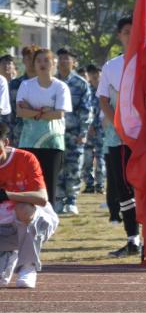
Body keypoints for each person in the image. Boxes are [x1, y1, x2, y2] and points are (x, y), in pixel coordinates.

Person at [99, 17, 141, 258]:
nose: (131, 36)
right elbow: (104, 100)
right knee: (123, 186)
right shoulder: (111, 66)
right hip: (118, 136)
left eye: (135, 31)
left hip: (145, 137)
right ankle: (132, 237)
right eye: (126, 32)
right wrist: (119, 125)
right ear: (119, 36)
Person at [0, 122, 59, 289]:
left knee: (24, 209)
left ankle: (28, 267)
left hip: (37, 222)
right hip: (4, 229)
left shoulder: (25, 158)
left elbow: (42, 198)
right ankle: (8, 254)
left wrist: (7, 195)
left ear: (5, 142)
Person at [15, 49, 72, 203]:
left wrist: (32, 111)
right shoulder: (26, 85)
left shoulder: (61, 87)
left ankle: (49, 216)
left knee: (49, 186)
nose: (42, 64)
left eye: (46, 60)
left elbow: (59, 114)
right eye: (38, 60)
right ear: (34, 64)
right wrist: (44, 112)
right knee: (29, 185)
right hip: (28, 142)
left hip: (53, 143)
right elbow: (20, 111)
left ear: (53, 63)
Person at [54, 48, 93, 215]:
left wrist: (83, 133)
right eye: (60, 58)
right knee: (57, 167)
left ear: (74, 62)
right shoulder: (52, 82)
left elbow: (86, 110)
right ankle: (58, 200)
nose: (63, 61)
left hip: (74, 133)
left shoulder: (80, 83)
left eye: (66, 58)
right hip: (55, 133)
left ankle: (71, 200)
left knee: (74, 167)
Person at [81, 64, 106, 195]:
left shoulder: (105, 90)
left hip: (103, 130)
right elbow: (85, 110)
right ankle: (89, 184)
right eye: (91, 73)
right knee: (87, 158)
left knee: (101, 158)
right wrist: (89, 125)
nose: (95, 75)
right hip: (88, 130)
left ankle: (100, 184)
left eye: (97, 72)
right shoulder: (87, 91)